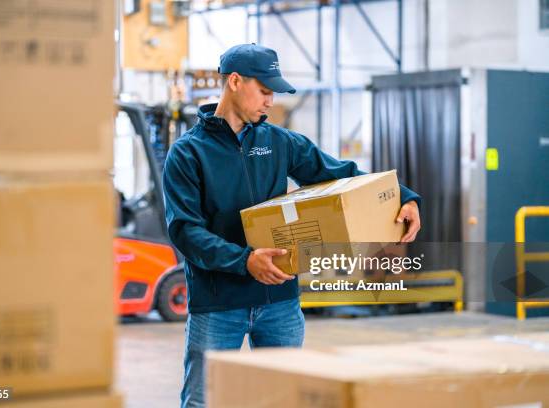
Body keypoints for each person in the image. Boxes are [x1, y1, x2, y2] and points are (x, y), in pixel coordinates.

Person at [162, 43, 421, 407]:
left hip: (279, 301)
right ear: (235, 81)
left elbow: (341, 174)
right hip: (219, 304)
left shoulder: (280, 142)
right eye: (265, 91)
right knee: (204, 401)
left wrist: (404, 197)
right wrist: (244, 261)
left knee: (286, 399)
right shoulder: (188, 153)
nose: (270, 101)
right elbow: (185, 231)